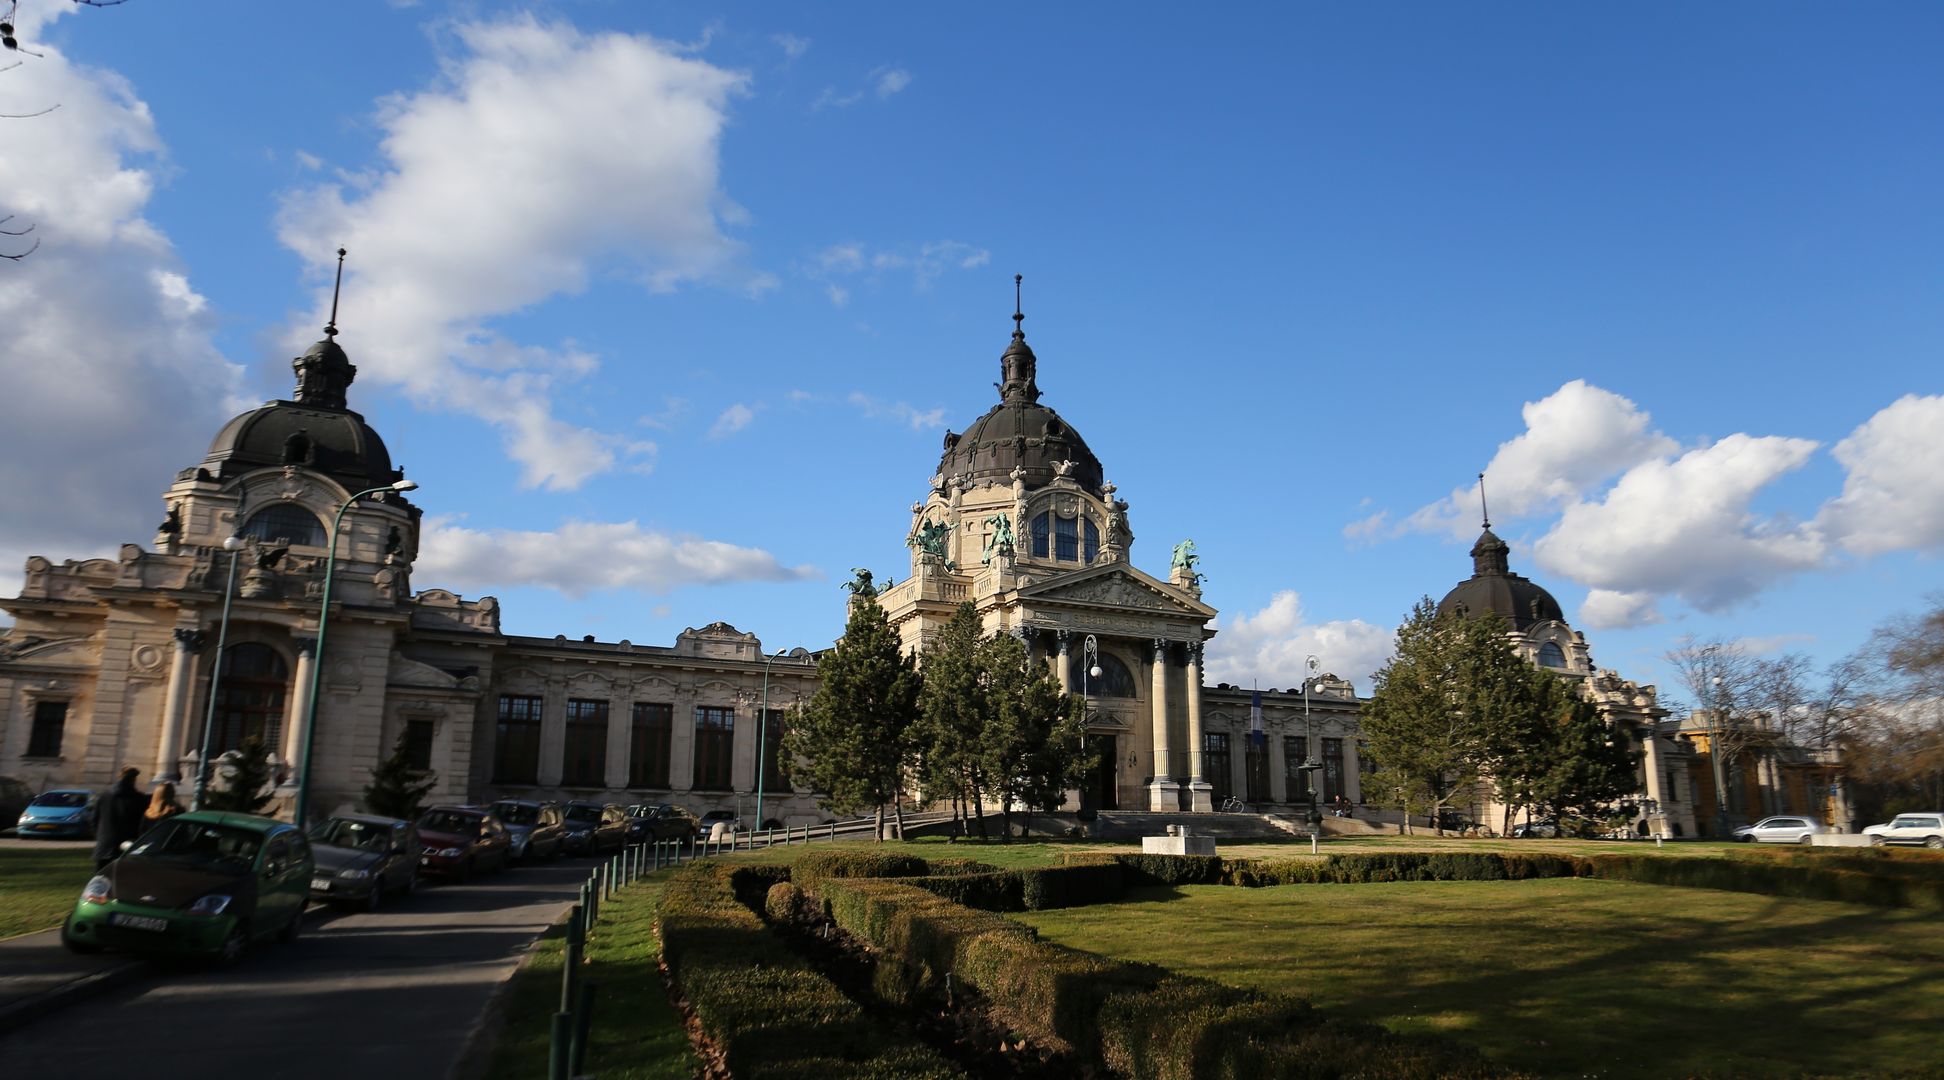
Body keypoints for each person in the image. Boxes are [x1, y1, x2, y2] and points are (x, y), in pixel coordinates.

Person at [94, 766, 146, 869]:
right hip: (125, 844)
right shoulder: (138, 798)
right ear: (134, 779)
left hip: (104, 844)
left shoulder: (105, 795)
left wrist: (99, 836)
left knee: (101, 878)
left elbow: (95, 819)